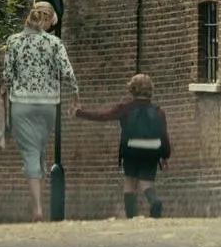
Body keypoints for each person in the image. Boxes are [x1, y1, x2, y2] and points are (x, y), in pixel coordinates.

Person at [2, 1, 79, 222]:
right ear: (48, 20)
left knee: (31, 151)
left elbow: (7, 76)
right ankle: (39, 200)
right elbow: (68, 73)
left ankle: (37, 208)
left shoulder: (13, 41)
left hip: (22, 104)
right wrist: (76, 97)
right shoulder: (55, 43)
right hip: (48, 104)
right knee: (39, 149)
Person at [73, 73, 171, 219]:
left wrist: (79, 113)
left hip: (131, 150)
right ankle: (154, 201)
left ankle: (131, 218)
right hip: (152, 150)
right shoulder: (159, 111)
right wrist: (165, 156)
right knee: (147, 183)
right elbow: (164, 135)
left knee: (129, 182)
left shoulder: (125, 109)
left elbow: (102, 116)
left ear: (132, 89)